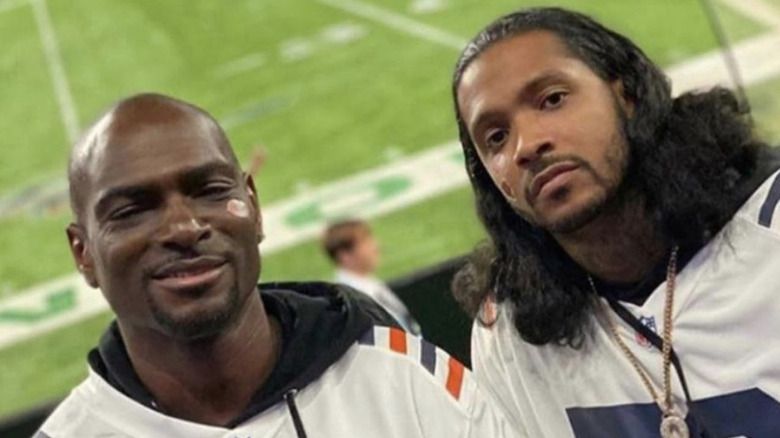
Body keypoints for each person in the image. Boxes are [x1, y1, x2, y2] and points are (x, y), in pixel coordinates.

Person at [37, 93, 518, 437]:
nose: (183, 228)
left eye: (210, 191)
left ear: (255, 207)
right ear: (83, 253)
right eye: (132, 210)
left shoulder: (401, 380)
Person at [451, 7, 780, 438]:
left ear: (627, 96)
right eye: (496, 138)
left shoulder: (767, 225)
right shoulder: (510, 333)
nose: (526, 146)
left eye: (553, 99)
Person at [322, 219, 421, 334]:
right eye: (365, 242)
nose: (376, 246)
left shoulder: (368, 283)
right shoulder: (352, 299)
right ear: (345, 255)